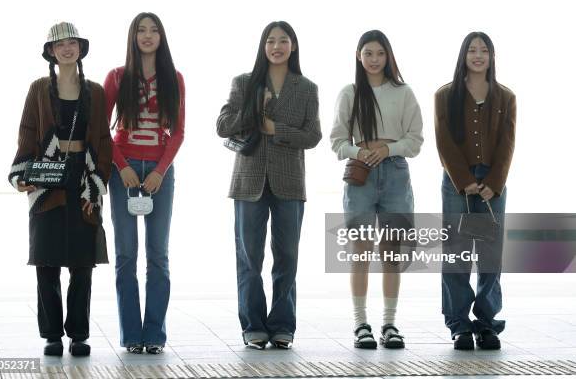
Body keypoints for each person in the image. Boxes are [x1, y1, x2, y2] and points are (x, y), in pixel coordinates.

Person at [8, 22, 112, 357]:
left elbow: (104, 140)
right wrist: (20, 173)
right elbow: (26, 132)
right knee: (46, 262)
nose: (67, 49)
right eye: (60, 45)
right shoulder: (38, 88)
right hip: (46, 182)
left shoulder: (95, 91)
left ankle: (79, 333)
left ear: (80, 49)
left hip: (83, 181)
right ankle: (52, 334)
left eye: (73, 44)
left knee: (82, 264)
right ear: (50, 52)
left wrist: (98, 180)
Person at [217, 21, 321, 350]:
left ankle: (282, 326)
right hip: (248, 182)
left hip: (290, 182)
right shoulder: (244, 83)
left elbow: (313, 135)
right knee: (249, 258)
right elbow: (222, 125)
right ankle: (253, 326)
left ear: (293, 46)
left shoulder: (306, 88)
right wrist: (252, 114)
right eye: (271, 41)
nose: (277, 46)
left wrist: (276, 128)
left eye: (283, 40)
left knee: (287, 256)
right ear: (263, 47)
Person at [330, 30, 423, 349]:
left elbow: (415, 141)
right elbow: (337, 141)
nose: (373, 59)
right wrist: (360, 153)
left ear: (389, 56)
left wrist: (388, 150)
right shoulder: (349, 93)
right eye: (367, 53)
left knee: (391, 255)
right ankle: (360, 325)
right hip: (360, 175)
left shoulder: (404, 92)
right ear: (358, 56)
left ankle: (390, 324)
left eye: (379, 53)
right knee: (361, 252)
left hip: (396, 174)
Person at [104, 12, 185, 355]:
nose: (148, 35)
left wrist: (160, 171)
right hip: (122, 171)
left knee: (158, 257)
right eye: (141, 30)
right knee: (125, 255)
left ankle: (154, 334)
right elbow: (100, 127)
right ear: (133, 36)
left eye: (154, 30)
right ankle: (131, 335)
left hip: (158, 173)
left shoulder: (174, 78)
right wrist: (121, 166)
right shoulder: (117, 76)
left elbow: (178, 132)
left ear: (161, 37)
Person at [434, 32, 516, 350]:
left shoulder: (505, 96)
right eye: (472, 49)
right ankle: (459, 325)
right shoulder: (445, 95)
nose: (478, 55)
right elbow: (444, 141)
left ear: (492, 56)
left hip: (492, 186)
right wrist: (463, 180)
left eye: (484, 50)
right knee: (457, 254)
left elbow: (508, 143)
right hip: (458, 185)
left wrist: (493, 184)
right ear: (463, 55)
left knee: (489, 256)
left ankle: (485, 323)